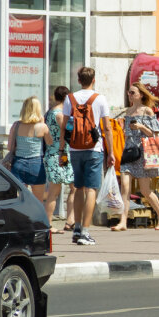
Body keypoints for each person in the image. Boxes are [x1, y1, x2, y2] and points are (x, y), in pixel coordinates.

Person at [59, 66, 113, 246]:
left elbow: (64, 127)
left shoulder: (70, 98)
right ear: (94, 80)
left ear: (79, 80)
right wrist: (111, 152)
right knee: (91, 190)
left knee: (78, 188)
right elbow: (106, 128)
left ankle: (76, 228)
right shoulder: (100, 99)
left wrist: (61, 151)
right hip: (94, 149)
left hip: (75, 149)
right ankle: (85, 232)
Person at [113, 84, 159, 232]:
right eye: (128, 92)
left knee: (145, 190)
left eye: (132, 92)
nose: (129, 95)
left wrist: (141, 127)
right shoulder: (128, 111)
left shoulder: (147, 111)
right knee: (125, 187)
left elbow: (155, 133)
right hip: (129, 151)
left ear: (141, 95)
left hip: (142, 153)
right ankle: (123, 221)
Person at [6, 96, 52, 203]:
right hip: (36, 163)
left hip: (18, 163)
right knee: (38, 201)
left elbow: (9, 147)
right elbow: (50, 142)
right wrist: (43, 122)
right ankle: (36, 219)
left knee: (20, 201)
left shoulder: (16, 125)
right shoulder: (42, 127)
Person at [44, 86, 76, 233]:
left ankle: (70, 220)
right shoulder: (59, 114)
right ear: (67, 98)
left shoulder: (50, 112)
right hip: (60, 154)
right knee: (55, 191)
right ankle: (49, 224)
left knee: (72, 187)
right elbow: (70, 129)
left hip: (54, 153)